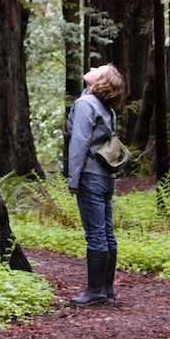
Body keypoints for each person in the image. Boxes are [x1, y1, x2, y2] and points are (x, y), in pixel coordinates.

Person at [66, 63, 126, 306]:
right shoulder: (105, 108)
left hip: (90, 175)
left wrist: (73, 179)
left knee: (96, 234)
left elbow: (79, 142)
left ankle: (95, 291)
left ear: (101, 82)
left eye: (98, 69)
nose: (91, 67)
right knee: (107, 232)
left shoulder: (85, 105)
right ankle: (107, 289)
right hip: (106, 177)